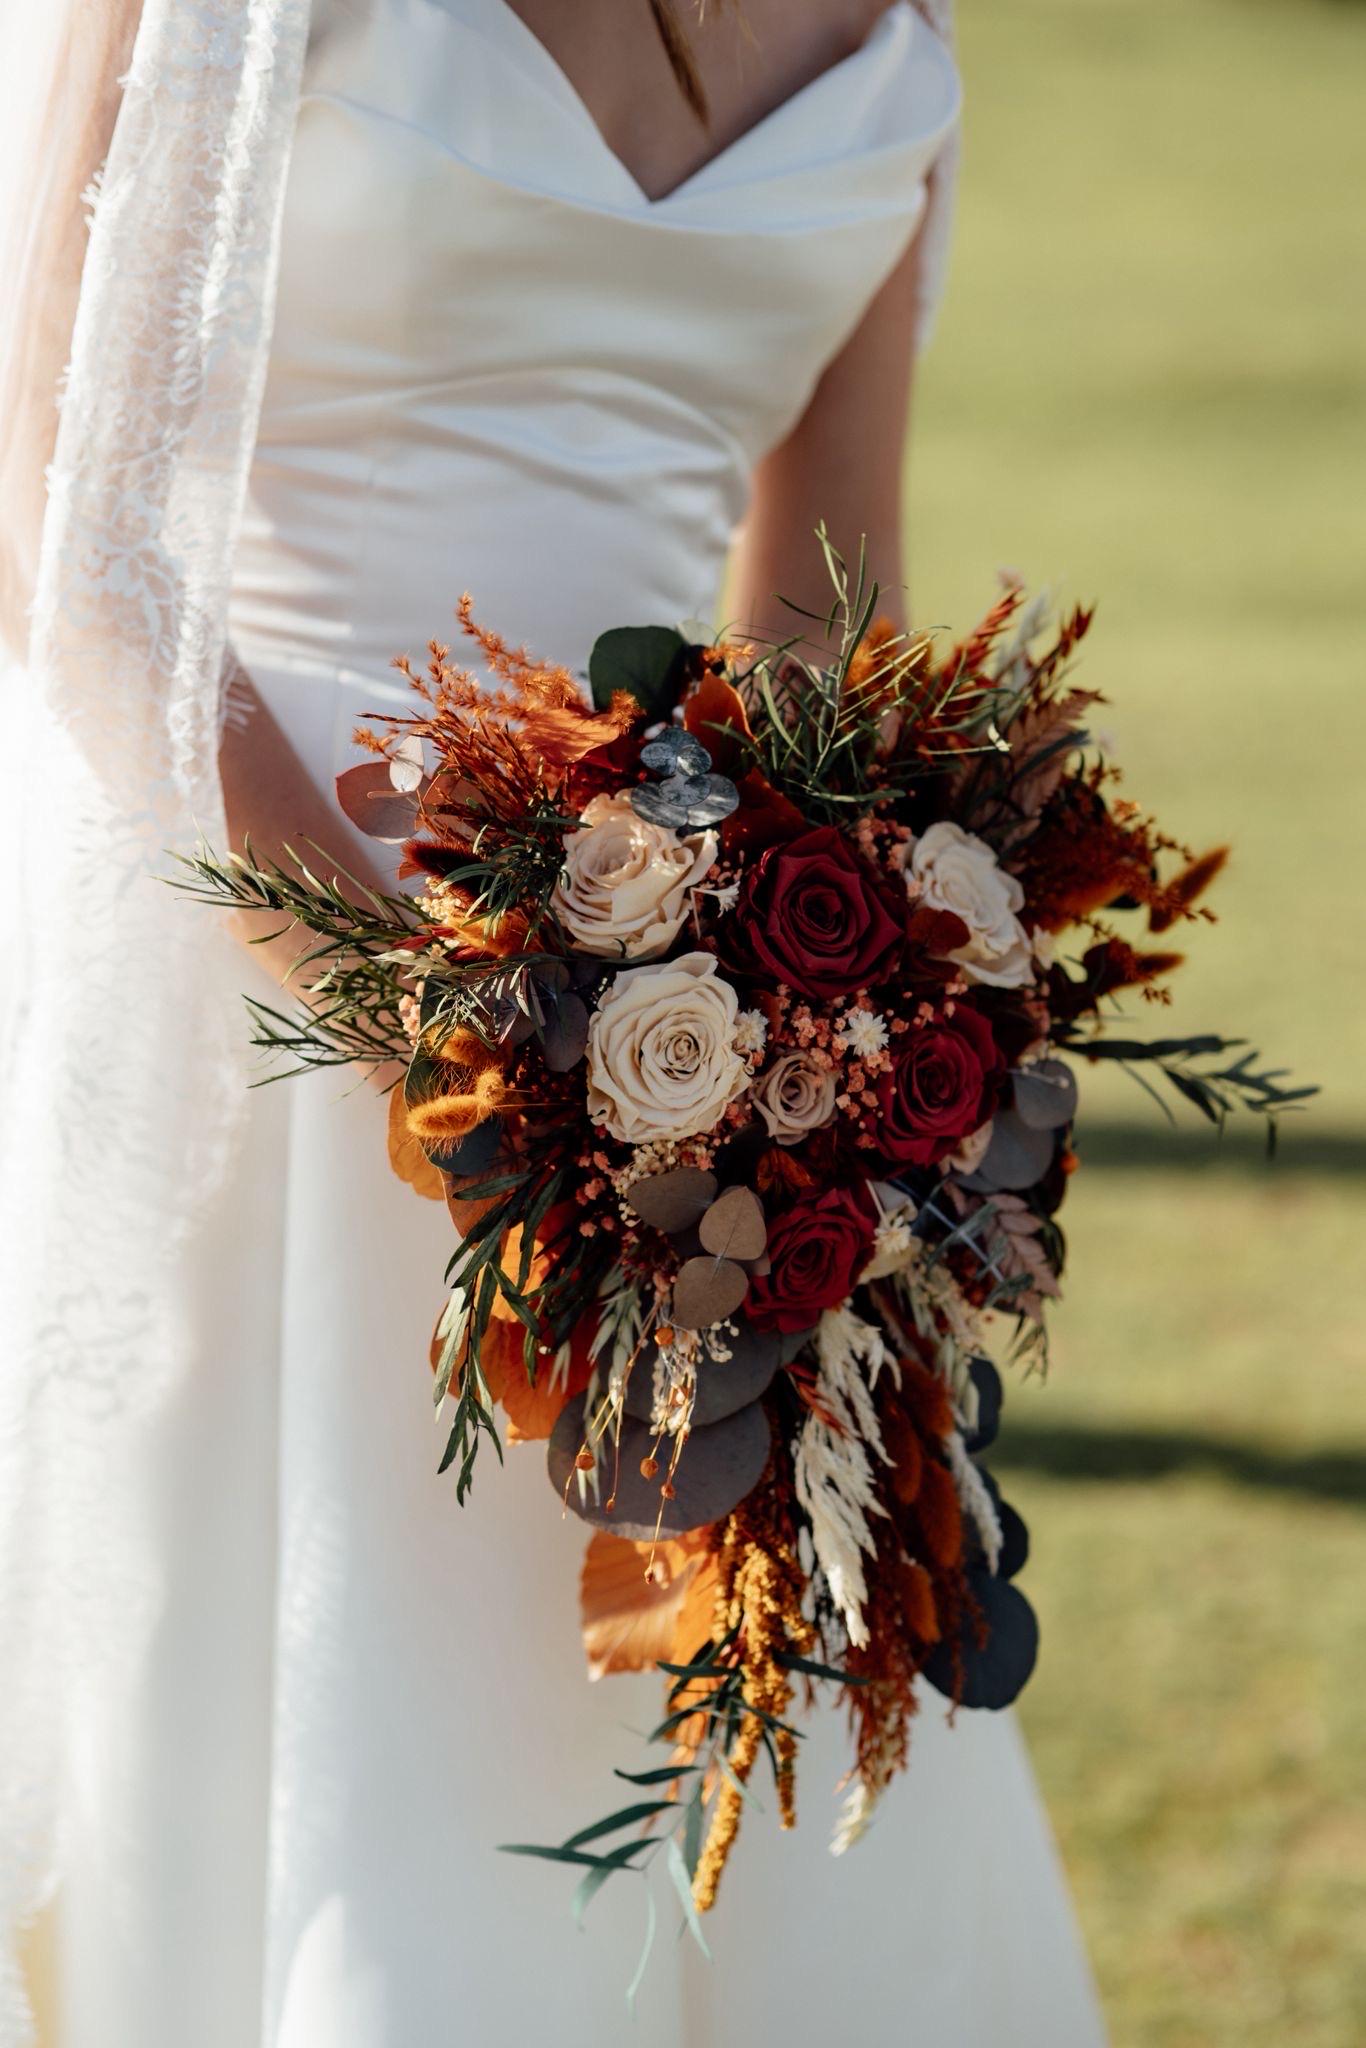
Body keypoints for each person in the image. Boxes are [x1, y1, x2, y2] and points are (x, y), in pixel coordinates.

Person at [0, 4, 1108, 2041]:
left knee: (677, 1702)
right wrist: (462, 1053)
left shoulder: (895, 35)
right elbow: (80, 545)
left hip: (682, 1022)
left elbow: (821, 605)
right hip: (252, 943)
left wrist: (823, 1028)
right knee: (341, 1714)